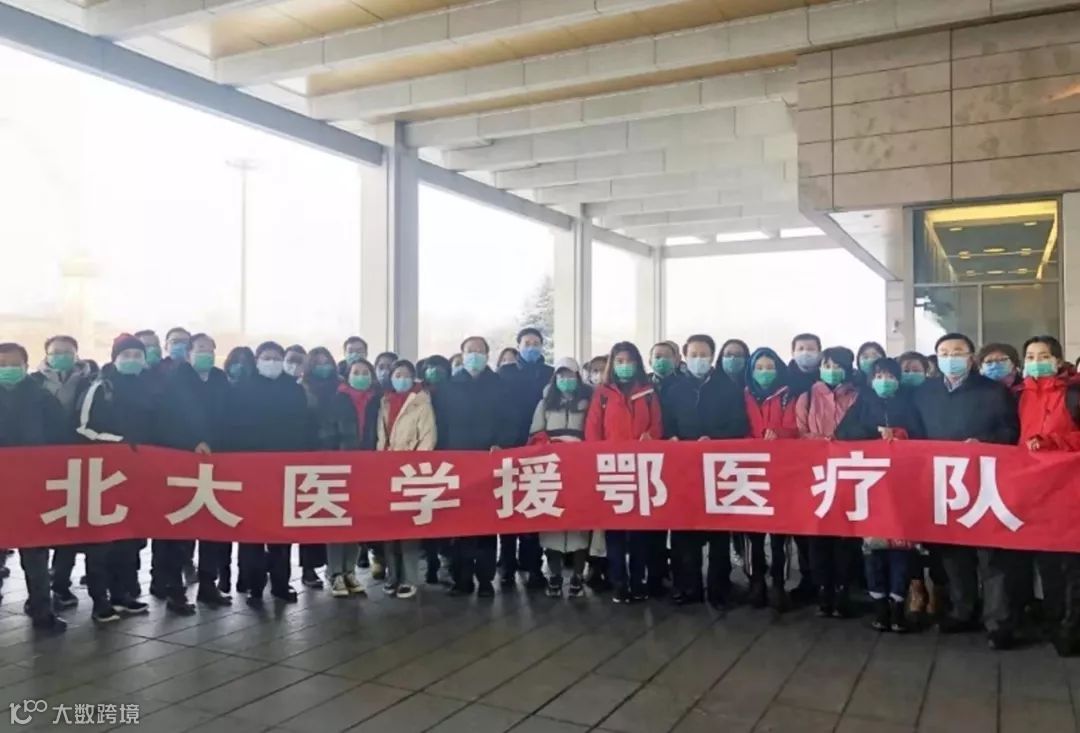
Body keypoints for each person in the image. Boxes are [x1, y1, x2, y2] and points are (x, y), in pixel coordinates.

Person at [913, 332, 1020, 649]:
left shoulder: (993, 391)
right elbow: (915, 433)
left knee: (991, 555)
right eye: (944, 352)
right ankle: (962, 611)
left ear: (971, 358)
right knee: (952, 551)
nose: (951, 357)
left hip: (985, 479)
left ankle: (998, 622)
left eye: (958, 351)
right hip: (942, 481)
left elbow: (1010, 431)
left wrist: (984, 443)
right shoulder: (925, 393)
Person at [836, 358, 924, 632]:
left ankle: (898, 606)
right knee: (873, 550)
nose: (884, 381)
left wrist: (899, 434)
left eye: (889, 376)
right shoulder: (862, 402)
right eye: (878, 376)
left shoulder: (910, 403)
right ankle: (879, 607)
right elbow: (842, 432)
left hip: (903, 488)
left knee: (901, 550)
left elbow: (924, 436)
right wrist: (873, 434)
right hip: (870, 488)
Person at [663, 335, 749, 607]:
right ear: (685, 357)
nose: (699, 359)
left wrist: (715, 439)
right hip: (683, 469)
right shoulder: (674, 389)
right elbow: (665, 423)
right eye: (694, 354)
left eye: (704, 354)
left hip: (719, 468)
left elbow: (739, 425)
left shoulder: (728, 388)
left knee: (719, 533)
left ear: (712, 357)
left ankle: (719, 588)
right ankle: (687, 587)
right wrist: (672, 437)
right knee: (683, 531)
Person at [76, 334, 157, 623]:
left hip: (138, 474)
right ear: (115, 358)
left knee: (130, 537)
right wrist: (120, 442)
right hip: (104, 473)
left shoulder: (149, 386)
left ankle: (123, 594)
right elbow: (83, 427)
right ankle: (100, 600)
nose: (132, 360)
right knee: (102, 540)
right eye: (126, 355)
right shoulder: (101, 386)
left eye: (137, 355)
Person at [154, 333, 234, 613]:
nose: (206, 354)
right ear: (188, 353)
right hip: (182, 461)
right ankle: (175, 590)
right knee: (180, 530)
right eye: (201, 349)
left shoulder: (220, 379)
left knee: (213, 526)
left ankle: (208, 586)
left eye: (211, 349)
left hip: (216, 461)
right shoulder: (175, 380)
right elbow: (167, 419)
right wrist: (193, 441)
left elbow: (228, 416)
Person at [227, 341, 309, 607]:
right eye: (266, 357)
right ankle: (253, 583)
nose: (271, 362)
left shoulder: (294, 390)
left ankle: (281, 583)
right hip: (251, 468)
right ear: (257, 360)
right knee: (252, 530)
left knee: (281, 531)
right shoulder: (243, 389)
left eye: (276, 357)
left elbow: (302, 426)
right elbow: (234, 427)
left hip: (285, 469)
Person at [435, 336, 514, 597]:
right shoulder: (448, 387)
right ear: (462, 354)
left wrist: (502, 443)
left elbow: (510, 421)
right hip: (457, 464)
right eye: (470, 350)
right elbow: (440, 424)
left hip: (490, 463)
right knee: (461, 525)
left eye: (480, 351)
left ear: (488, 355)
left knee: (487, 525)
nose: (475, 355)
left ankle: (486, 579)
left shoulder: (500, 385)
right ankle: (462, 579)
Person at [586, 342, 663, 604]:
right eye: (619, 361)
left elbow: (657, 426)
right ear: (613, 364)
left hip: (641, 468)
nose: (625, 365)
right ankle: (619, 582)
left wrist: (650, 436)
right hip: (612, 469)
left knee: (640, 532)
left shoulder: (648, 392)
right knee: (615, 531)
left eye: (629, 361)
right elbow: (593, 430)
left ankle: (638, 581)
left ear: (637, 363)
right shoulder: (602, 394)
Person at [1017, 335, 1080, 655]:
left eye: (1043, 356)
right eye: (1030, 356)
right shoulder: (1021, 394)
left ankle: (1072, 629)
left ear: (1057, 360)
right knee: (1047, 561)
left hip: (1070, 487)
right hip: (1036, 489)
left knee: (1072, 564)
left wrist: (1054, 442)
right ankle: (1054, 619)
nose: (1036, 361)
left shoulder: (1074, 392)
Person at [0, 342, 69, 632]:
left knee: (35, 551)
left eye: (13, 364)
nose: (7, 369)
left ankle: (42, 609)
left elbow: (62, 438)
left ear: (26, 366)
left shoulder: (42, 398)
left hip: (33, 485)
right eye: (2, 365)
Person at [796, 346, 860, 618]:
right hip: (816, 475)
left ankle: (844, 589)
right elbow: (800, 432)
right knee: (818, 535)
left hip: (848, 473)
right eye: (827, 365)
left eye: (837, 365)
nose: (831, 370)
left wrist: (841, 443)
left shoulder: (858, 396)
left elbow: (863, 430)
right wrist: (822, 442)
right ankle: (823, 590)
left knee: (846, 536)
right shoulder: (807, 397)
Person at [31, 335, 92, 611]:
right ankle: (39, 588)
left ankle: (61, 582)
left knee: (69, 523)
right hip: (40, 460)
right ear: (46, 355)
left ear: (77, 354)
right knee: (39, 524)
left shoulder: (89, 382)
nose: (62, 356)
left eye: (67, 352)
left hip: (77, 459)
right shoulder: (34, 383)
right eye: (56, 352)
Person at [297, 346, 364, 598]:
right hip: (315, 456)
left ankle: (345, 570)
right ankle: (312, 569)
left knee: (348, 517)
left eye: (327, 362)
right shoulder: (303, 388)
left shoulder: (341, 389)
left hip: (349, 460)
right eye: (318, 362)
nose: (323, 366)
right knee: (315, 514)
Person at [529, 357, 592, 599]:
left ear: (578, 377)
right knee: (551, 523)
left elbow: (594, 432)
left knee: (580, 525)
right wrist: (548, 446)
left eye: (570, 375)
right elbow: (535, 432)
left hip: (580, 470)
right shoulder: (545, 402)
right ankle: (554, 575)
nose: (566, 379)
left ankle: (577, 576)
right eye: (561, 375)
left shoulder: (588, 402)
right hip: (551, 469)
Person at [742, 347, 800, 611]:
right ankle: (755, 580)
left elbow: (795, 428)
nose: (764, 372)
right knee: (751, 532)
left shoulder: (788, 396)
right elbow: (737, 424)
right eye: (759, 368)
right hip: (748, 470)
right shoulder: (743, 395)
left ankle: (778, 582)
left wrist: (779, 433)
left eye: (769, 367)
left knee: (780, 532)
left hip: (781, 471)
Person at [498, 327, 553, 591]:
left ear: (542, 346)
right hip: (509, 445)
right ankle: (507, 566)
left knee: (534, 505)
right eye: (527, 342)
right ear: (518, 345)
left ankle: (534, 567)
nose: (531, 346)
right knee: (508, 506)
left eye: (536, 342)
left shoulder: (549, 373)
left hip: (539, 446)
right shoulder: (505, 373)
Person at [378, 359, 437, 599]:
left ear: (413, 378)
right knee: (388, 528)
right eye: (397, 374)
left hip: (410, 472)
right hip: (385, 470)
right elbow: (381, 435)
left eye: (405, 375)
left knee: (409, 527)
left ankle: (410, 578)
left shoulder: (422, 402)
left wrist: (414, 465)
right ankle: (393, 575)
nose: (400, 379)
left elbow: (428, 438)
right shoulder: (385, 401)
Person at [335, 358, 380, 594]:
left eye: (365, 372)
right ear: (348, 375)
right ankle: (335, 573)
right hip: (339, 466)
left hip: (367, 467)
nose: (361, 376)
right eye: (356, 372)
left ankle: (349, 571)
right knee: (336, 520)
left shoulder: (376, 400)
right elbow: (328, 431)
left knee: (355, 521)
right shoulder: (338, 398)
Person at [787, 333, 823, 397]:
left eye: (811, 349)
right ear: (793, 353)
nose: (805, 352)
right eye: (801, 349)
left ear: (819, 353)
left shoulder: (828, 376)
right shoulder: (784, 377)